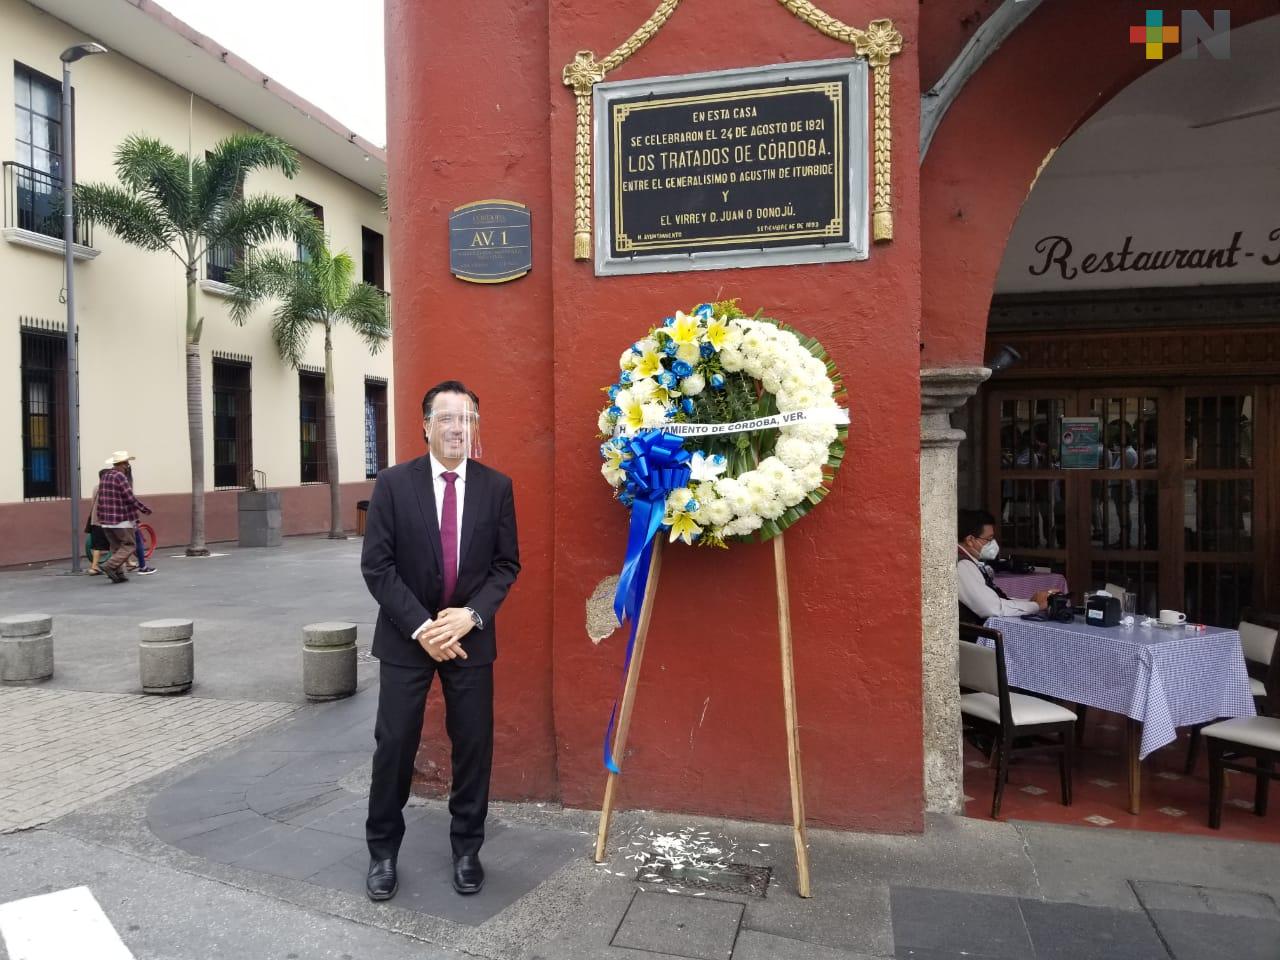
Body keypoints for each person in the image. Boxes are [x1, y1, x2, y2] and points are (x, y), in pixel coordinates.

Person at [361, 381, 520, 902]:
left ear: (476, 427)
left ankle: (468, 848)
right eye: (447, 418)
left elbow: (505, 565)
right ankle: (383, 852)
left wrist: (470, 616)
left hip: (469, 636)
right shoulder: (391, 484)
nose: (457, 428)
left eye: (467, 419)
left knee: (473, 745)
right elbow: (378, 567)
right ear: (425, 425)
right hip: (409, 637)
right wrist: (424, 628)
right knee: (396, 744)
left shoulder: (496, 487)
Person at [956, 508, 1049, 623]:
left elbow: (994, 600)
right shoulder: (962, 565)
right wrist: (1035, 606)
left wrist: (1030, 602)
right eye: (989, 539)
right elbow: (991, 607)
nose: (993, 544)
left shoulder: (967, 561)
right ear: (970, 540)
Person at [96, 451, 153, 584]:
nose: (127, 467)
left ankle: (119, 574)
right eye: (127, 464)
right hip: (121, 519)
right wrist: (144, 509)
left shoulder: (105, 476)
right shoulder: (120, 477)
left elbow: (101, 499)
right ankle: (109, 565)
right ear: (122, 464)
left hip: (106, 520)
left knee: (116, 548)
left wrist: (100, 516)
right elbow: (129, 497)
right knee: (129, 545)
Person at [123, 461, 158, 575]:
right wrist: (145, 509)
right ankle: (142, 566)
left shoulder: (111, 479)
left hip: (116, 518)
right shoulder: (123, 480)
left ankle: (122, 566)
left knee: (120, 543)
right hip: (127, 518)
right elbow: (131, 499)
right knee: (135, 541)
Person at [86, 466, 111, 575]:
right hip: (105, 521)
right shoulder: (108, 488)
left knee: (97, 546)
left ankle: (94, 567)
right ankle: (120, 565)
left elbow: (92, 503)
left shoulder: (96, 488)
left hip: (95, 521)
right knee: (117, 543)